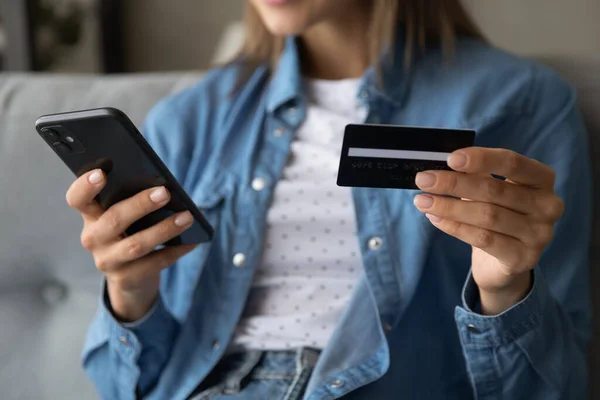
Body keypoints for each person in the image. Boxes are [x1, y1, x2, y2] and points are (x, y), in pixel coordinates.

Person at [67, 0, 592, 399]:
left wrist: (504, 291)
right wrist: (130, 292)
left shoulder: (519, 103)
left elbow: (555, 385)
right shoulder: (190, 120)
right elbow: (122, 388)